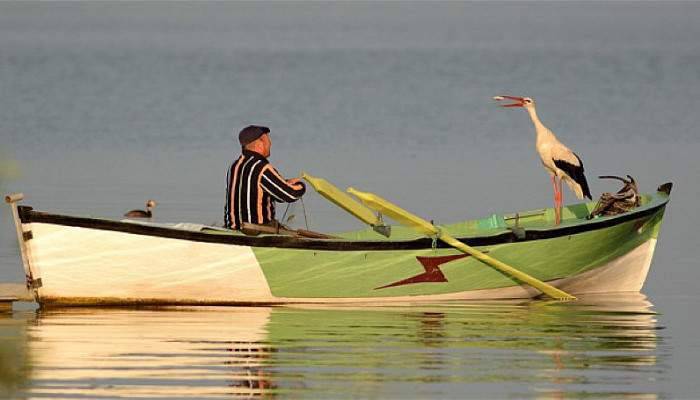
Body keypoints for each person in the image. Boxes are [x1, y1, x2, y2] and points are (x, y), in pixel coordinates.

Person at [224, 125, 306, 231]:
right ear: (259, 143)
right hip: (255, 230)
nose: (270, 143)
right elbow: (289, 195)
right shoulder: (262, 168)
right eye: (268, 140)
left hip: (233, 228)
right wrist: (300, 186)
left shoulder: (234, 166)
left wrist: (284, 183)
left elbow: (253, 186)